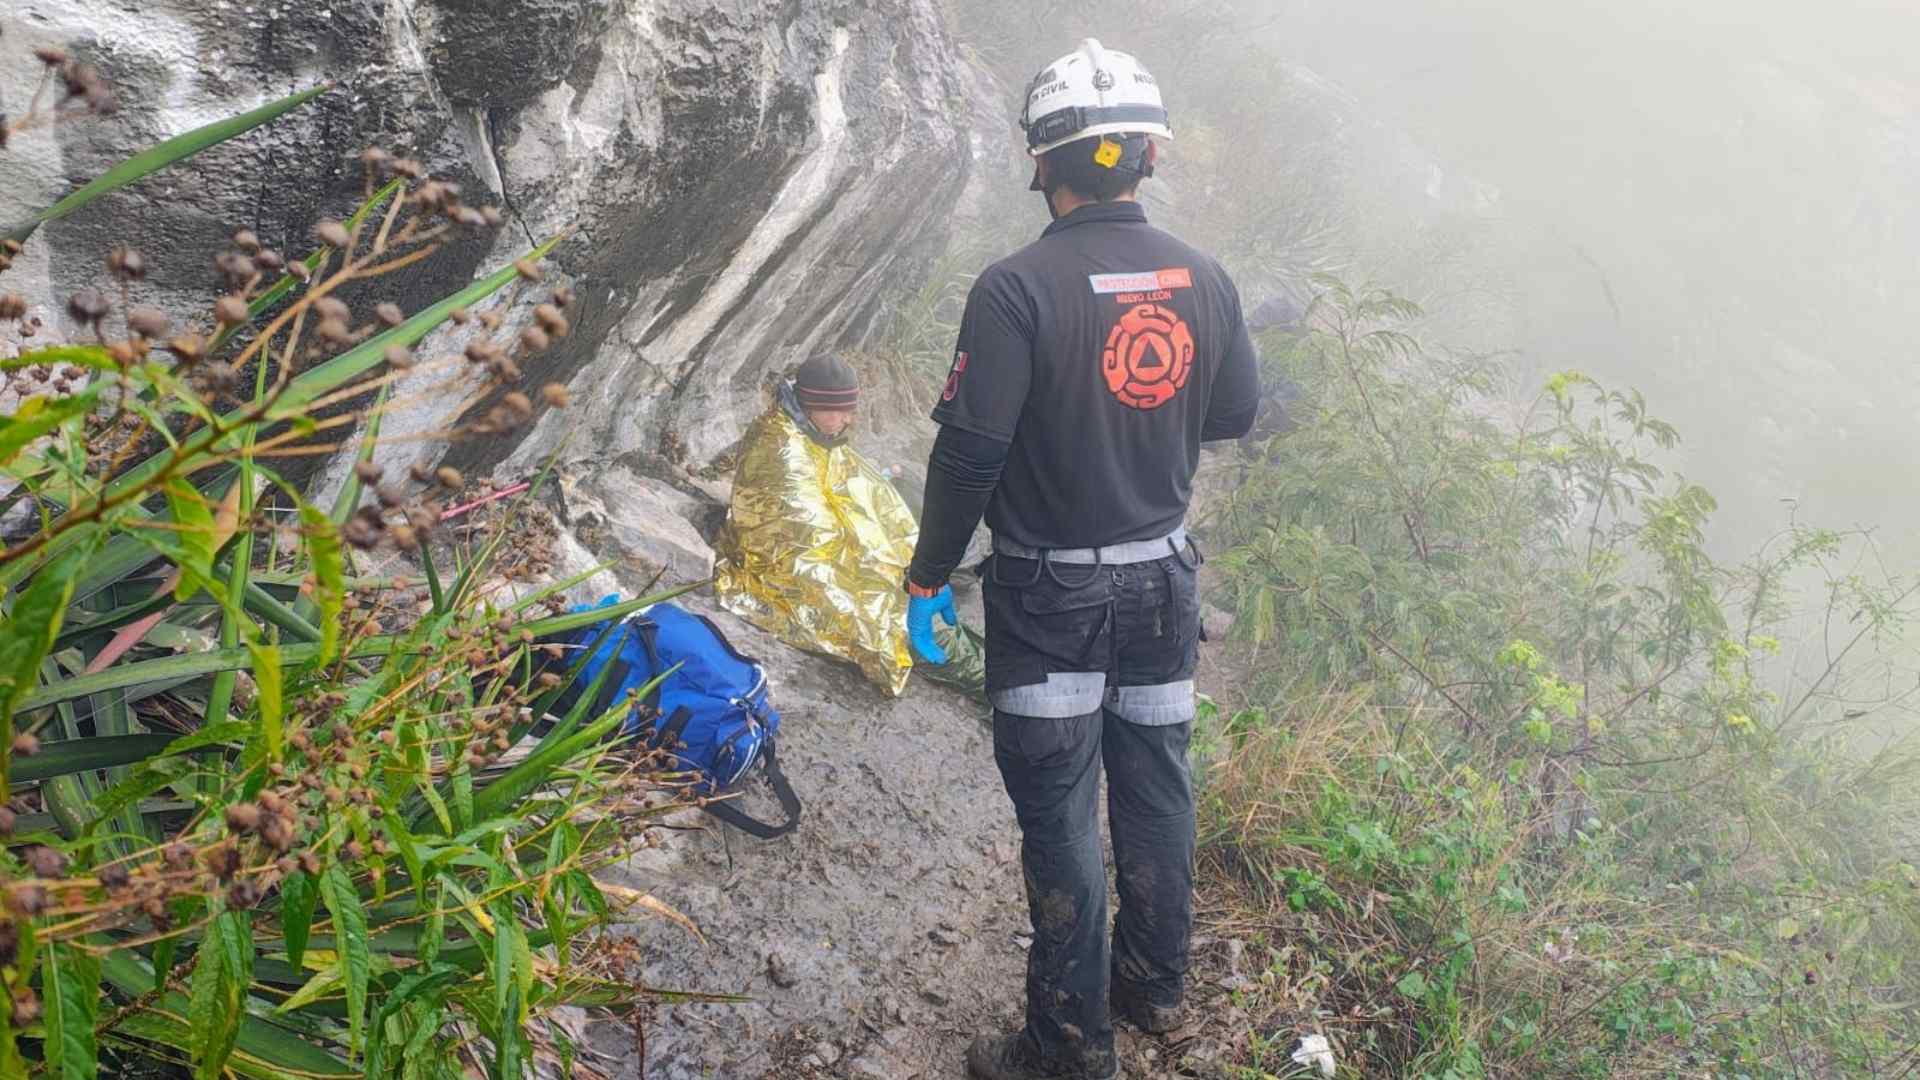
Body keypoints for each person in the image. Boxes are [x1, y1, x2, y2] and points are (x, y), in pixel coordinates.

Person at [904, 38, 1260, 1080]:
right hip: (1162, 582)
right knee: (1155, 786)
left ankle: (1067, 1047)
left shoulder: (1016, 289)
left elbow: (972, 449)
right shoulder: (1203, 275)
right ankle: (1151, 987)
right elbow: (1234, 411)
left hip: (1050, 592)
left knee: (1060, 811)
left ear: (1038, 160)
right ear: (1148, 157)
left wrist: (929, 572)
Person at [713, 353, 983, 697]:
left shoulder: (811, 432)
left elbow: (859, 495)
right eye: (838, 410)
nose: (848, 419)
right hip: (790, 568)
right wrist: (876, 584)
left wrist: (900, 563)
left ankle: (1003, 680)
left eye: (849, 409)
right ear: (811, 404)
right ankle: (1001, 692)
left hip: (832, 549)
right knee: (903, 623)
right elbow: (801, 549)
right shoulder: (781, 450)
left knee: (921, 599)